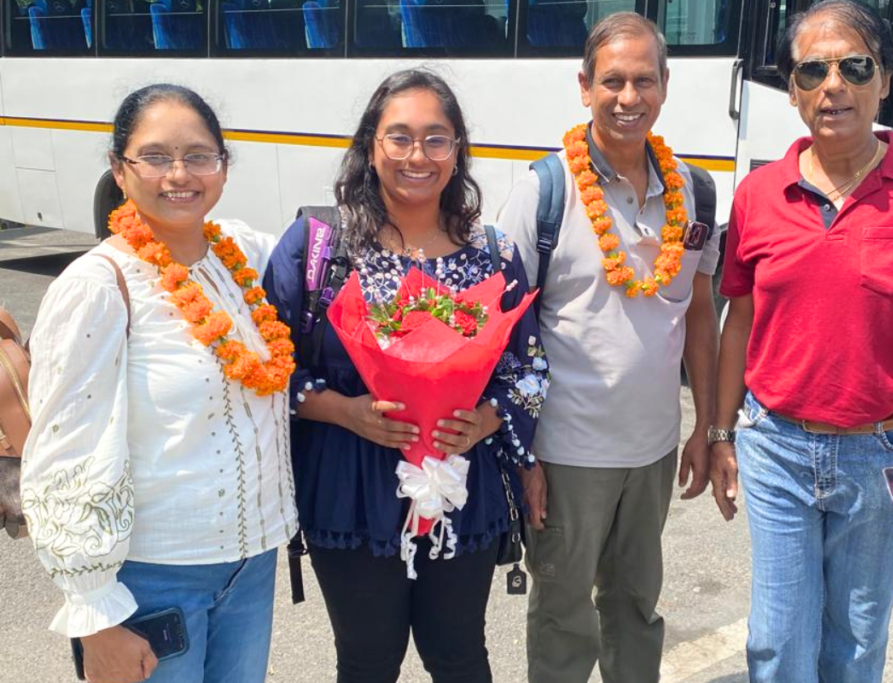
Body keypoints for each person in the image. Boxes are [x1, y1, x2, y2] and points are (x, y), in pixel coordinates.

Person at [708, 2, 893, 682]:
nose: (832, 84)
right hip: (777, 446)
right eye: (812, 70)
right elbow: (738, 322)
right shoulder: (756, 195)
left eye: (854, 66)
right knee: (777, 645)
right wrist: (721, 431)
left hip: (892, 451)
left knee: (857, 643)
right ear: (793, 88)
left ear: (887, 80)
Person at [264, 68, 547, 683]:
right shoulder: (319, 246)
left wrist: (487, 420)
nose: (417, 156)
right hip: (351, 492)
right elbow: (267, 371)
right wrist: (344, 410)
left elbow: (527, 368)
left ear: (457, 151)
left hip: (459, 488)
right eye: (399, 137)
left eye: (436, 139)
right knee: (367, 662)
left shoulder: (492, 253)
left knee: (460, 657)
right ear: (372, 145)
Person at [20, 84, 298, 683]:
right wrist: (94, 617)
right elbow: (63, 453)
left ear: (223, 167)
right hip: (150, 579)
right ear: (120, 171)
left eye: (199, 155)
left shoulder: (242, 257)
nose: (180, 174)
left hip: (251, 569)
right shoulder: (98, 285)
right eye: (155, 156)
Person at [497, 12, 721, 683]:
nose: (629, 97)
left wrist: (707, 428)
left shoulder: (695, 189)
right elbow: (505, 332)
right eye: (613, 81)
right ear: (584, 85)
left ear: (665, 85)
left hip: (651, 448)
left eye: (643, 80)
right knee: (565, 617)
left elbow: (701, 316)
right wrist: (522, 455)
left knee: (635, 607)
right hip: (566, 453)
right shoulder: (544, 190)